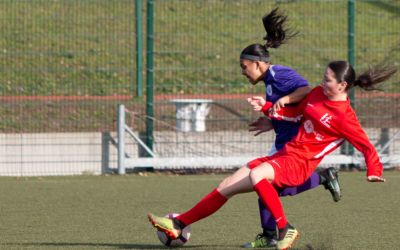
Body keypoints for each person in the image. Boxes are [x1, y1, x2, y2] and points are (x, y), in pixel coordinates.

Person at [147, 60, 396, 250]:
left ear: (342, 86)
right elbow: (295, 113)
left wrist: (374, 171)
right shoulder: (318, 94)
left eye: (328, 80)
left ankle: (284, 229)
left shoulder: (345, 116)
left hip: (300, 163)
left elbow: (366, 146)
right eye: (323, 77)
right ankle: (178, 225)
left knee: (258, 175)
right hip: (286, 153)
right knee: (227, 186)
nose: (322, 82)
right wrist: (267, 110)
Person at [241, 8, 341, 248]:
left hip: (295, 145)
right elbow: (284, 109)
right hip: (283, 140)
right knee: (265, 187)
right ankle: (269, 235)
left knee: (269, 187)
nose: (242, 71)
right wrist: (270, 121)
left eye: (244, 66)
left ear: (258, 64)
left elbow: (305, 90)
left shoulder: (278, 73)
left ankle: (322, 178)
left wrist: (284, 101)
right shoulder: (268, 82)